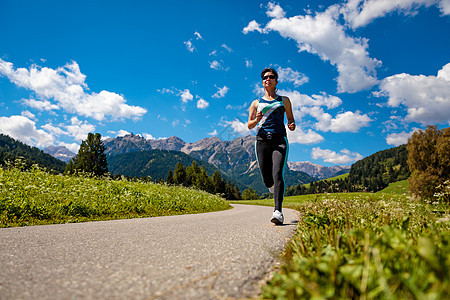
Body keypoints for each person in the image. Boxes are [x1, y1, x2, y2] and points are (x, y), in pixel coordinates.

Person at [247, 67, 296, 225]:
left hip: (279, 140)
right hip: (262, 141)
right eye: (264, 77)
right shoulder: (256, 103)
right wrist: (257, 119)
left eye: (271, 77)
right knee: (267, 179)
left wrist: (291, 125)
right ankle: (271, 187)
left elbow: (291, 120)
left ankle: (278, 211)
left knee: (277, 174)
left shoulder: (284, 100)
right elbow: (249, 125)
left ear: (276, 81)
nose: (267, 79)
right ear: (262, 82)